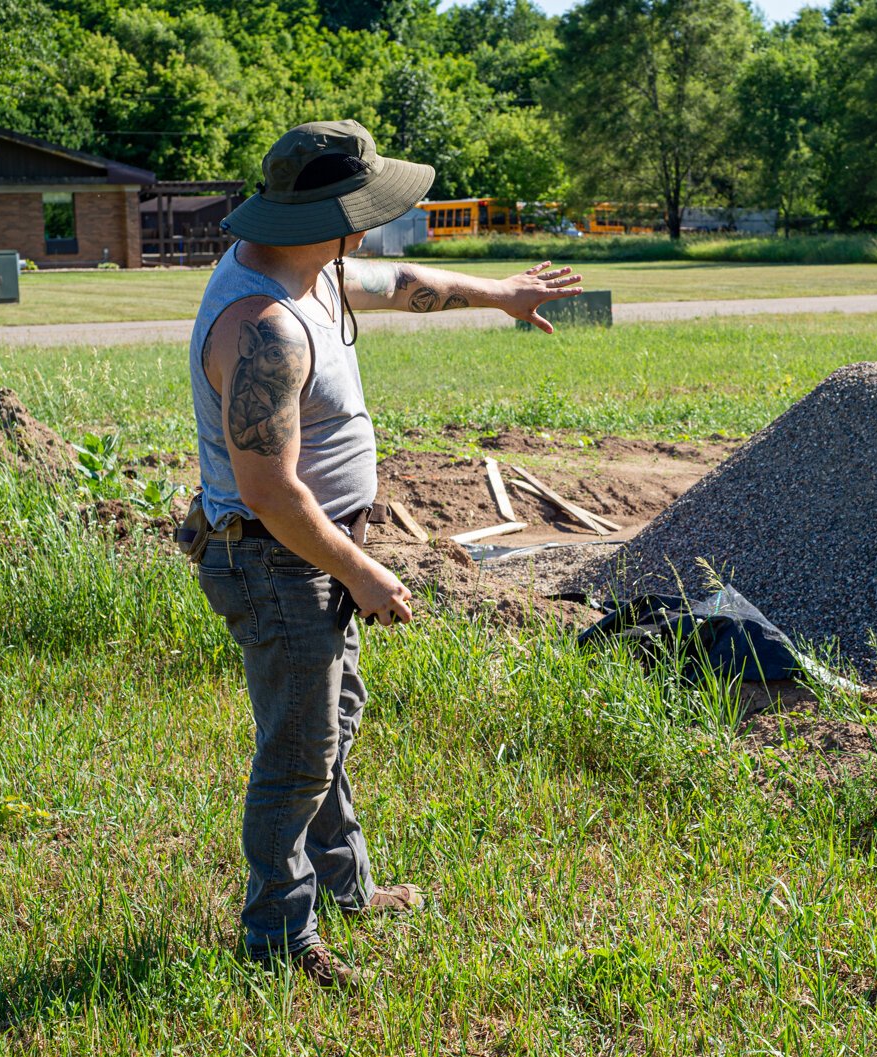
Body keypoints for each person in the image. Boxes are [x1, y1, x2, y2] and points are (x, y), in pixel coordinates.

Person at [188, 120, 583, 988]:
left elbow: (404, 283)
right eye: (361, 211)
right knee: (299, 754)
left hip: (312, 555)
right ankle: (276, 937)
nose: (369, 229)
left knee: (330, 727)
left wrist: (503, 293)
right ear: (327, 214)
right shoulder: (263, 325)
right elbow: (270, 494)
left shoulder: (312, 271)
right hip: (277, 557)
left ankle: (348, 886)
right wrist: (360, 570)